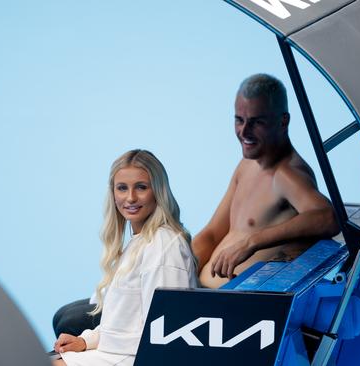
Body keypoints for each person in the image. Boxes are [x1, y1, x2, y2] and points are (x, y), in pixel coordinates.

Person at [192, 73, 340, 288]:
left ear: (283, 121)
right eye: (239, 120)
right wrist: (178, 268)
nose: (244, 132)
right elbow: (213, 234)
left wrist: (252, 242)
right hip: (199, 297)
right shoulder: (246, 166)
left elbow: (328, 217)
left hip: (238, 309)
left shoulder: (287, 174)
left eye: (256, 122)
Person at [52, 149, 197, 366]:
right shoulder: (140, 241)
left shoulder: (164, 246)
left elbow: (166, 335)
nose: (130, 198)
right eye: (122, 188)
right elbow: (123, 324)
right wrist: (85, 340)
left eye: (141, 187)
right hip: (113, 355)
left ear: (158, 191)